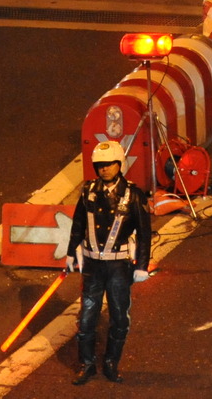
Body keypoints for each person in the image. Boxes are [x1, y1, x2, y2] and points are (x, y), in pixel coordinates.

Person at [57, 139, 151, 385]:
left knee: (120, 318)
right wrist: (69, 253)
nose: (104, 169)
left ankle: (111, 362)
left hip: (119, 267)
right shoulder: (88, 191)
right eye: (100, 165)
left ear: (119, 164)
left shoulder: (133, 195)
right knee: (87, 318)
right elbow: (78, 224)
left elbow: (144, 233)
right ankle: (86, 364)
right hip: (92, 267)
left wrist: (142, 265)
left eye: (109, 164)